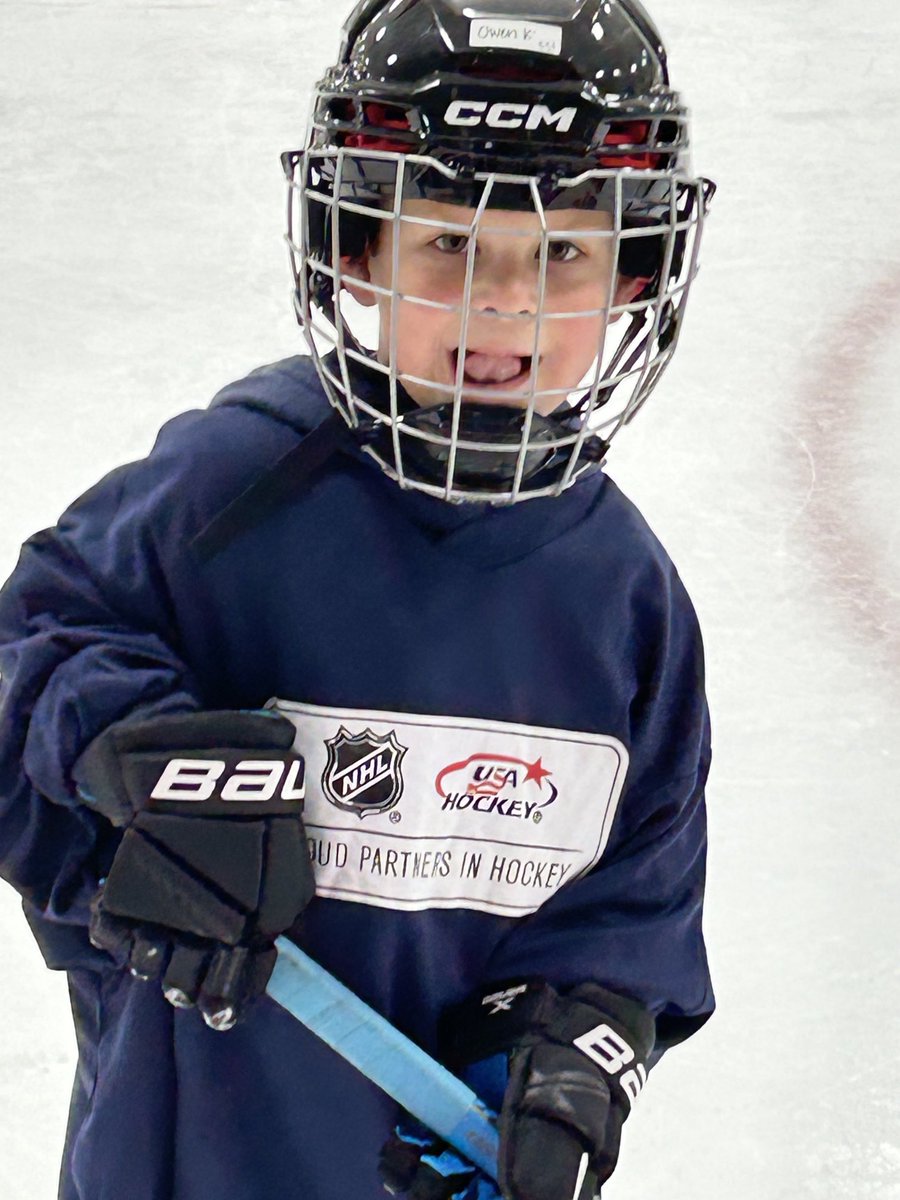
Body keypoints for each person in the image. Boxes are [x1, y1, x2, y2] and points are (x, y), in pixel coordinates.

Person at [0, 1, 716, 1198]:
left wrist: (561, 1053)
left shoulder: (624, 604)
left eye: (561, 256)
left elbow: (631, 909)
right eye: (448, 244)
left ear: (636, 267)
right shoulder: (233, 494)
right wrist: (142, 771)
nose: (504, 308)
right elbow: (33, 659)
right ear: (356, 246)